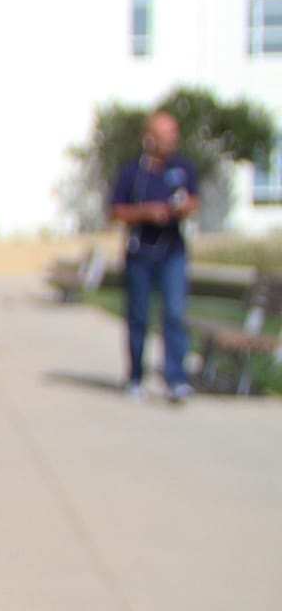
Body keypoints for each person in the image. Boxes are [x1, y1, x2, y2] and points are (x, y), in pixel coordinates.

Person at [108, 111, 200, 401]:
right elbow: (116, 210)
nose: (171, 140)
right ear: (150, 137)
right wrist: (146, 212)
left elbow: (195, 199)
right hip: (140, 254)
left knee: (174, 314)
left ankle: (176, 378)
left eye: (174, 134)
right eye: (165, 134)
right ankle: (135, 377)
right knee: (139, 317)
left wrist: (183, 208)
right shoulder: (132, 172)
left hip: (172, 252)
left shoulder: (183, 167)